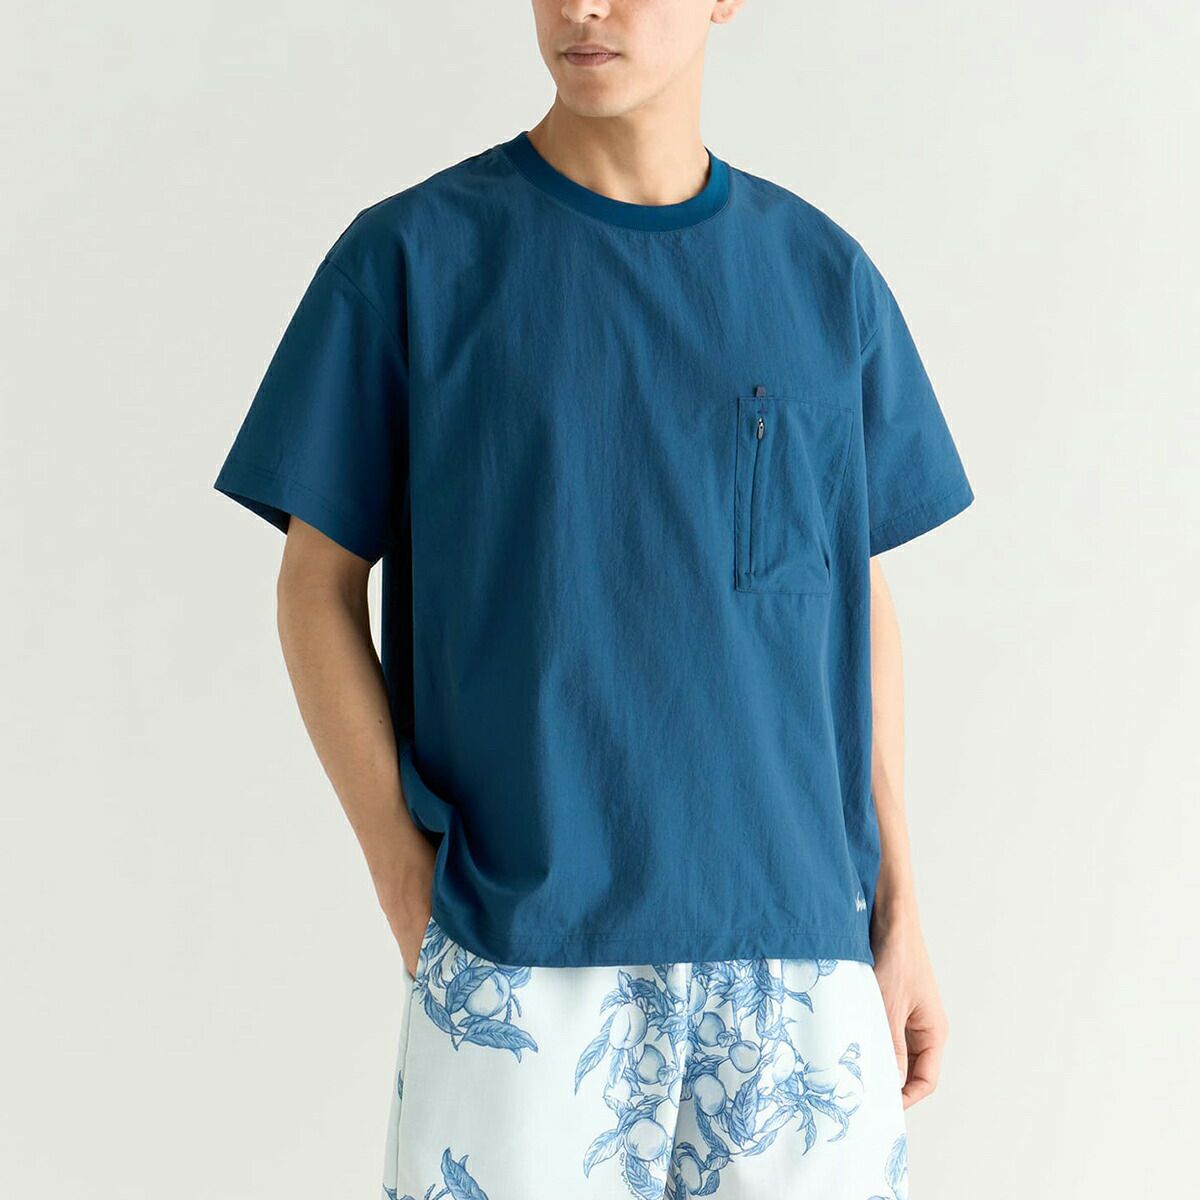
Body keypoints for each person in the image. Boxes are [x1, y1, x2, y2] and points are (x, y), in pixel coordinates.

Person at [213, 2, 973, 1196]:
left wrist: (901, 908)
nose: (582, 6)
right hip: (526, 953)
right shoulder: (416, 259)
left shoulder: (823, 278)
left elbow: (849, 599)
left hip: (801, 964)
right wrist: (407, 882)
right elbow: (315, 585)